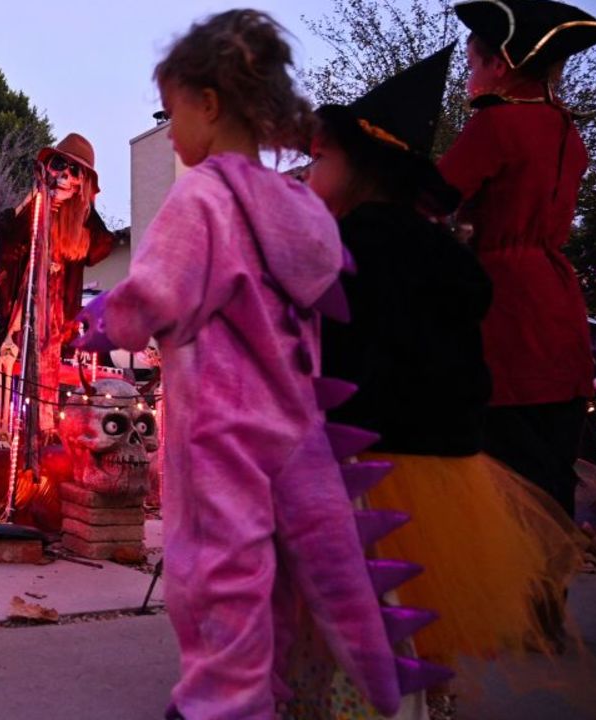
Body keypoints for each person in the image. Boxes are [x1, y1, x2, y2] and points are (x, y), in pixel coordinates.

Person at [74, 10, 427, 719]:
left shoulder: (202, 195)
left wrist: (97, 319)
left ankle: (226, 702)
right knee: (286, 575)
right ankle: (273, 686)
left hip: (220, 433)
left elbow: (156, 295)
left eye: (173, 114)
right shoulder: (297, 203)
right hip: (296, 428)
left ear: (210, 103)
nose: (170, 132)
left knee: (215, 573)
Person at [295, 45, 582, 718]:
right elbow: (460, 363)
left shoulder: (348, 248)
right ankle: (427, 701)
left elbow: (340, 358)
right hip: (448, 466)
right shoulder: (451, 259)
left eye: (318, 159)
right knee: (420, 612)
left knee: (359, 604)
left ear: (358, 169)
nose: (308, 173)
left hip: (367, 463)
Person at [439, 0, 596, 519]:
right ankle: (546, 599)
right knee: (549, 481)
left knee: (506, 487)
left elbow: (430, 198)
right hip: (557, 308)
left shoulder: (496, 126)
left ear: (501, 63)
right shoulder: (565, 128)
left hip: (505, 311)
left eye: (473, 64)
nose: (471, 77)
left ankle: (512, 597)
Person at [0, 134, 114, 436]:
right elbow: (7, 232)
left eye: (76, 172)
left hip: (57, 311)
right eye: (60, 165)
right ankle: (3, 429)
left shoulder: (81, 226)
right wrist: (39, 197)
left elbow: (101, 248)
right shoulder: (31, 211)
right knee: (10, 357)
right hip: (25, 298)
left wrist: (86, 201)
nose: (65, 176)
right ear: (47, 166)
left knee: (48, 365)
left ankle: (44, 430)